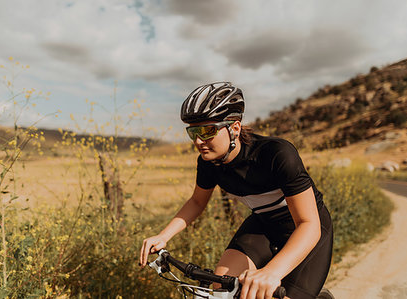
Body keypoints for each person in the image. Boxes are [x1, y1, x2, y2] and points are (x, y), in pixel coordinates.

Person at [140, 82, 333, 299]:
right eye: (193, 131)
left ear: (235, 128)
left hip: (305, 228)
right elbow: (197, 202)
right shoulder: (208, 162)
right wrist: (163, 236)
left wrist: (270, 272)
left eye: (207, 130)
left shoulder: (277, 155)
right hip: (262, 225)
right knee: (222, 292)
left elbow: (309, 224)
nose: (198, 140)